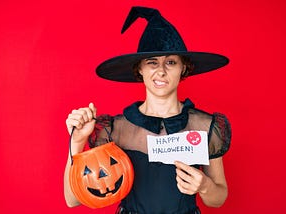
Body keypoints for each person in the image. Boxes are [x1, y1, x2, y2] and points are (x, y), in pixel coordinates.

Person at [64, 6, 231, 214]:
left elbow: (219, 198)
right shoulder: (115, 130)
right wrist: (77, 141)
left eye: (171, 62)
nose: (161, 71)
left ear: (184, 68)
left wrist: (204, 186)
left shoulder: (205, 126)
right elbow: (73, 199)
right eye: (152, 63)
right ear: (140, 69)